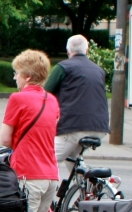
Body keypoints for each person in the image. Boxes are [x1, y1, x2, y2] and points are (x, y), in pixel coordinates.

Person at [0, 50, 79, 212]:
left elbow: (4, 139)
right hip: (50, 176)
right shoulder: (52, 101)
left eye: (16, 73)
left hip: (27, 175)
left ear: (27, 76)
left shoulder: (18, 99)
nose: (14, 77)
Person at [45, 34, 110, 181]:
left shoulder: (63, 67)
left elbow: (45, 95)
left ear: (68, 51)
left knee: (46, 162)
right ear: (87, 51)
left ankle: (44, 202)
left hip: (73, 126)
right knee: (72, 158)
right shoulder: (99, 70)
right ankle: (85, 190)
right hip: (100, 126)